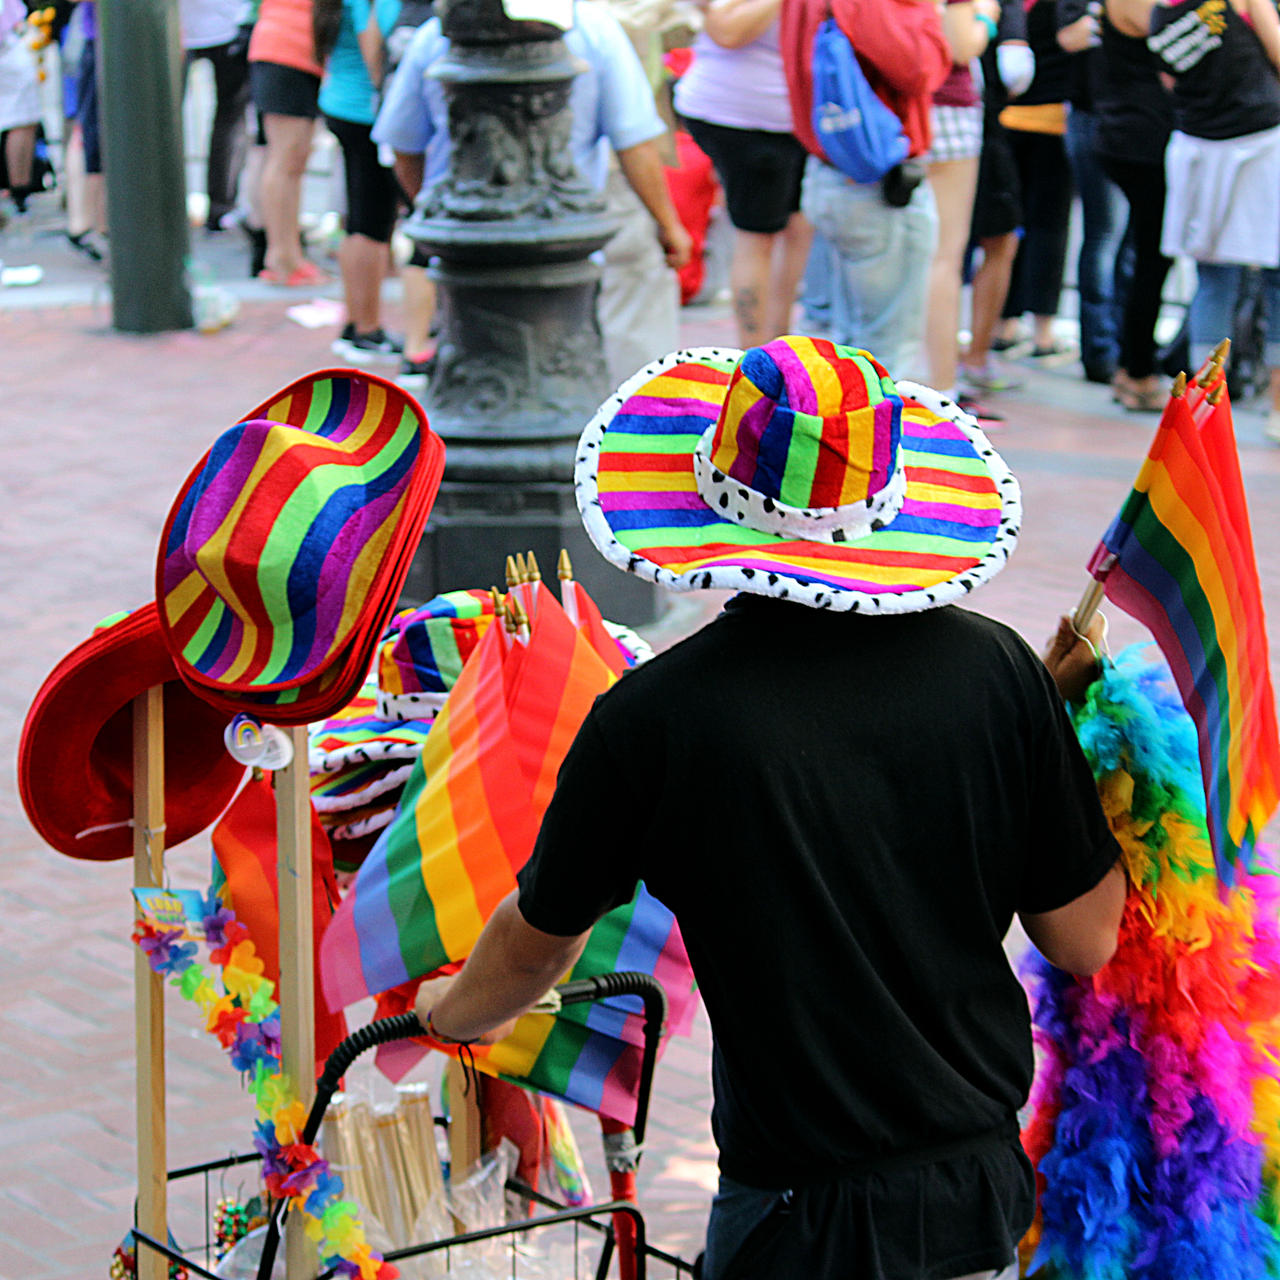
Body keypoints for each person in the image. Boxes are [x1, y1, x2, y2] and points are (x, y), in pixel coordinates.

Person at [411, 338, 1126, 1279]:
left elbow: (541, 936)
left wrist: (458, 1013)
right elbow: (1084, 938)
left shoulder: (655, 718)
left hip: (799, 1211)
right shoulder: (997, 673)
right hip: (975, 1193)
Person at [371, 0, 692, 381]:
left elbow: (404, 143)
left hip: (478, 236)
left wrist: (434, 209)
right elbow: (633, 139)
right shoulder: (593, 28)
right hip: (559, 233)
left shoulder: (435, 36)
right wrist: (667, 223)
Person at [779, 0, 951, 378]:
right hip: (870, 182)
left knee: (840, 350)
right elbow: (922, 67)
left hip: (837, 171)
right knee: (881, 360)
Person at [1147, 0, 1280, 444]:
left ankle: (1202, 414)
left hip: (1199, 144)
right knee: (1276, 279)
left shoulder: (1159, 8)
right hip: (1261, 141)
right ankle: (1278, 409)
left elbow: (1166, 77)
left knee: (1213, 279)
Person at [674, 0, 812, 349]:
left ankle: (780, 348)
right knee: (758, 237)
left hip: (797, 119)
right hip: (744, 117)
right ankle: (755, 358)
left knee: (797, 228)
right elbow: (727, 31)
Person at [923, 0, 1001, 413]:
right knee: (942, 260)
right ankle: (940, 389)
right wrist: (987, 17)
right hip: (945, 110)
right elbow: (960, 47)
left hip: (896, 107)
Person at [316, 0, 405, 363]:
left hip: (345, 105)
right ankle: (366, 329)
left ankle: (357, 324)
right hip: (365, 114)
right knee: (372, 226)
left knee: (360, 222)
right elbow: (375, 50)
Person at [1096, 0, 1174, 410]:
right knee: (1152, 256)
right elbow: (1166, 34)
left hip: (1134, 132)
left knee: (1146, 253)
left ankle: (1133, 365)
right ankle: (1137, 370)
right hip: (1140, 137)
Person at [1056, 0, 1125, 384]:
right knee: (1104, 234)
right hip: (1093, 116)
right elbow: (1070, 36)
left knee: (1132, 245)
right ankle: (1100, 351)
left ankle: (1126, 346)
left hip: (1142, 118)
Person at [248, 0, 330, 284]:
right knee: (285, 160)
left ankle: (289, 254)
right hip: (286, 53)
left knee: (292, 161)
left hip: (296, 53)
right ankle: (281, 257)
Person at [180, 0, 253, 232]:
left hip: (226, 25)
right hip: (188, 27)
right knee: (228, 121)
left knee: (230, 120)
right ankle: (219, 208)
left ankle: (221, 207)